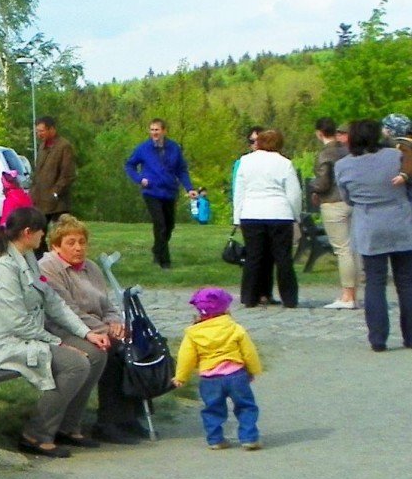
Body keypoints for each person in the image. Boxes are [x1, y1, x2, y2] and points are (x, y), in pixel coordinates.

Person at [0, 207, 111, 458]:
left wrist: (86, 334)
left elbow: (53, 302)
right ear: (27, 232)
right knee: (75, 364)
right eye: (42, 232)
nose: (44, 236)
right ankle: (36, 434)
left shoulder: (28, 258)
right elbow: (16, 321)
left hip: (24, 336)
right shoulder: (2, 267)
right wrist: (59, 344)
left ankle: (68, 426)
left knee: (96, 354)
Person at [37, 215, 146, 442]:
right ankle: (106, 421)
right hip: (63, 329)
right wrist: (106, 330)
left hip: (96, 327)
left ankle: (128, 417)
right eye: (71, 242)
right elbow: (68, 311)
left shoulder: (91, 268)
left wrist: (116, 323)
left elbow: (107, 305)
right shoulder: (49, 268)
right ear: (56, 245)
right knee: (108, 351)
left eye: (82, 242)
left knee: (135, 346)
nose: (78, 248)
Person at [336, 118, 412, 351]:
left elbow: (347, 197)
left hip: (369, 223)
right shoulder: (394, 156)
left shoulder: (344, 165)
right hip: (401, 220)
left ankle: (378, 338)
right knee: (407, 282)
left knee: (375, 283)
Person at [174, 287, 264, 450]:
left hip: (210, 378)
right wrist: (253, 369)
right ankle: (249, 438)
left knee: (212, 409)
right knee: (245, 406)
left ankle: (215, 439)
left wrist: (181, 377)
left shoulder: (193, 333)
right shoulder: (234, 327)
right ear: (225, 308)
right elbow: (249, 352)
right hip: (236, 374)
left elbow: (186, 357)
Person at [232, 127, 303, 308]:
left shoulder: (245, 161)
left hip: (251, 212)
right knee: (283, 258)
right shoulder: (284, 163)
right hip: (279, 213)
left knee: (254, 257)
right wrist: (296, 215)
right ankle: (289, 298)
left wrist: (237, 217)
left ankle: (249, 296)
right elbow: (294, 194)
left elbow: (239, 191)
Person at [124, 118, 195, 270]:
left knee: (169, 226)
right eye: (152, 130)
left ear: (164, 131)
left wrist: (189, 188)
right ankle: (165, 261)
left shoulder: (174, 148)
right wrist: (139, 178)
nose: (154, 133)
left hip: (169, 191)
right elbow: (129, 165)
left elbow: (181, 170)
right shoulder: (143, 149)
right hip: (151, 191)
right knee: (160, 224)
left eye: (157, 130)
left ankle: (157, 249)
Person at [310, 117, 359, 309]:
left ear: (319, 133)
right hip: (351, 201)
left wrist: (313, 188)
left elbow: (323, 182)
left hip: (332, 202)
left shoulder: (325, 154)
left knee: (342, 249)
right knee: (353, 249)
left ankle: (347, 295)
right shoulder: (348, 151)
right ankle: (354, 292)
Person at [29, 117, 76, 219]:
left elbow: (68, 174)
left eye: (42, 131)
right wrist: (32, 193)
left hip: (58, 205)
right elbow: (38, 172)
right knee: (39, 233)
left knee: (59, 233)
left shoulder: (64, 146)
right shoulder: (42, 146)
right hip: (40, 202)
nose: (39, 134)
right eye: (37, 131)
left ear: (52, 129)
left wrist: (55, 193)